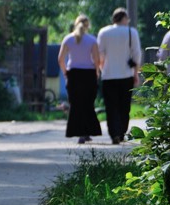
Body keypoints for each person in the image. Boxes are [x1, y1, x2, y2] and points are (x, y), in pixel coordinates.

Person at [97, 8, 141, 144]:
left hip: (109, 76)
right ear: (124, 18)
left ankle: (114, 133)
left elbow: (100, 55)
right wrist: (136, 73)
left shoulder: (104, 32)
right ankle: (121, 132)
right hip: (126, 75)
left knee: (111, 107)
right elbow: (137, 54)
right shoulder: (131, 32)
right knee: (124, 106)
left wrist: (101, 68)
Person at [57, 15, 102, 144]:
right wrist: (97, 72)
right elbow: (96, 60)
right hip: (88, 74)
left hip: (74, 75)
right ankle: (86, 132)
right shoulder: (92, 40)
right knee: (88, 104)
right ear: (88, 26)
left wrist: (66, 73)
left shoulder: (68, 39)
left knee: (76, 105)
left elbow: (60, 59)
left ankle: (79, 132)